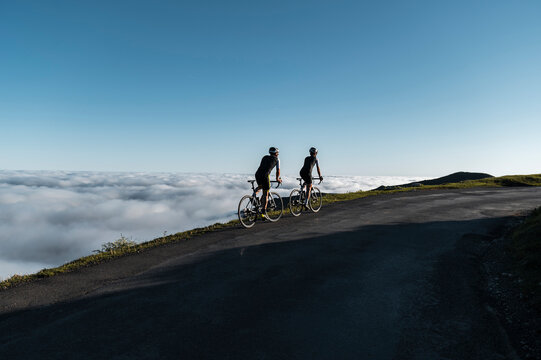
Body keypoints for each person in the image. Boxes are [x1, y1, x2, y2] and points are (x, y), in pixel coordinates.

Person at [255, 147, 282, 215]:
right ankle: (263, 212)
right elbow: (278, 171)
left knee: (260, 186)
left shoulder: (264, 157)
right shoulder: (277, 159)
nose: (278, 154)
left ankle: (253, 197)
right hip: (265, 176)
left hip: (257, 174)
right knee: (265, 194)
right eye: (277, 153)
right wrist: (277, 179)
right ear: (276, 153)